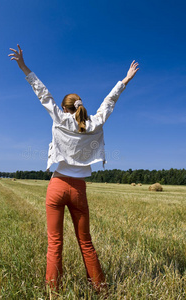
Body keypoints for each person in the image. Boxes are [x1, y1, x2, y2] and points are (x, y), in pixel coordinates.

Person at [8, 45, 139, 293]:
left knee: (54, 243)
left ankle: (52, 291)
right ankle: (101, 289)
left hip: (57, 186)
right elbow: (109, 102)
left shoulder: (59, 118)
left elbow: (42, 93)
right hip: (79, 189)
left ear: (65, 108)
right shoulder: (94, 123)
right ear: (79, 107)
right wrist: (125, 80)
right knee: (86, 243)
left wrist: (23, 67)